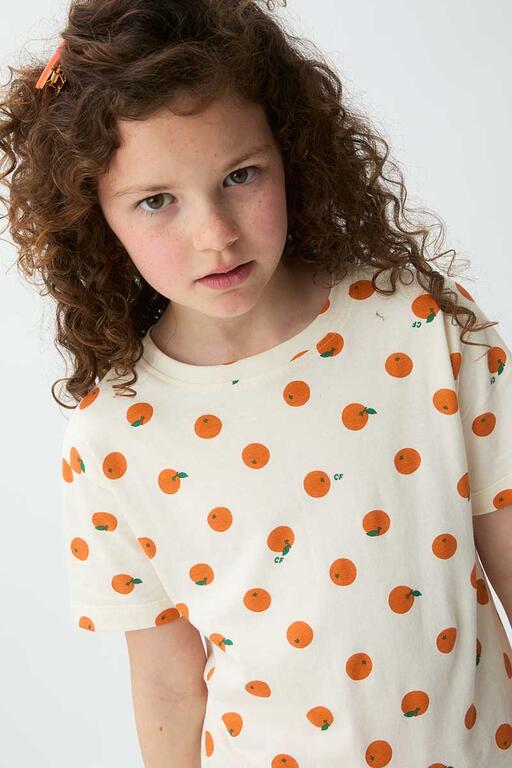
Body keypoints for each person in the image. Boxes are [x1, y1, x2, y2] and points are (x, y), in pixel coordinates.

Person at [1, 1, 511, 765]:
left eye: (240, 176)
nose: (215, 234)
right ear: (92, 213)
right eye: (157, 201)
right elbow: (169, 687)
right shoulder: (112, 437)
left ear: (290, 151)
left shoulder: (419, 326)